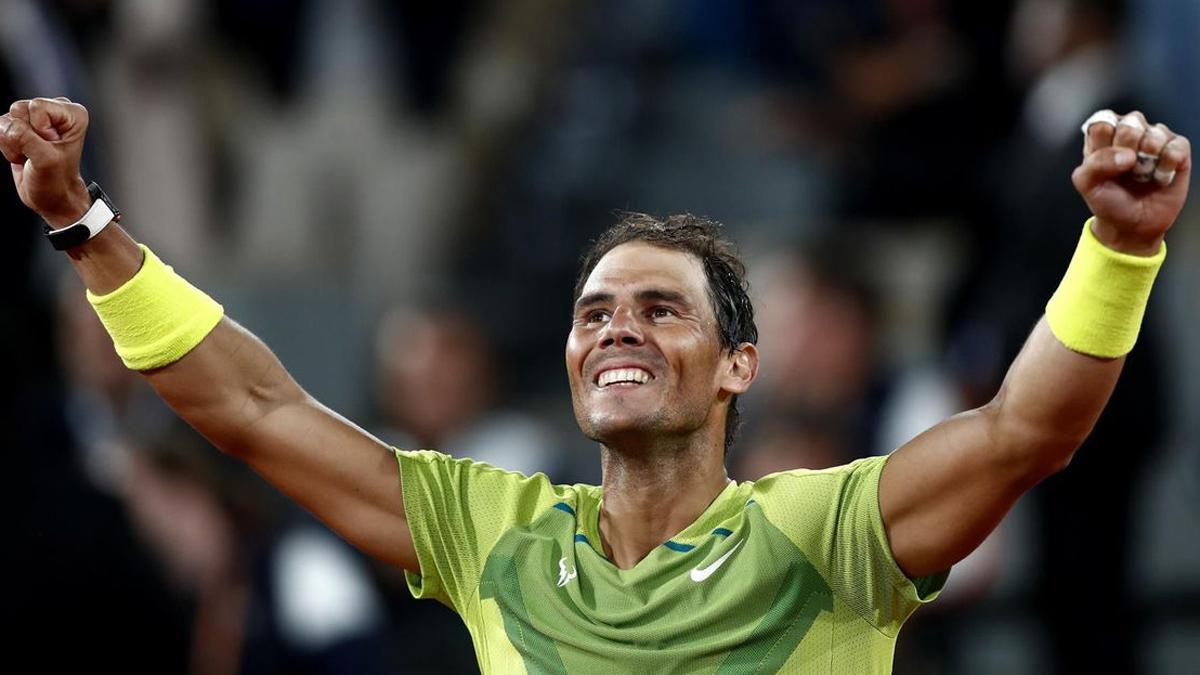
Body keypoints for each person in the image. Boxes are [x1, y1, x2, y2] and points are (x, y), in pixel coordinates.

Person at [1, 97, 1189, 673]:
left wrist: (1121, 249)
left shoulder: (827, 533)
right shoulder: (489, 529)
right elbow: (251, 412)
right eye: (592, 313)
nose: (615, 329)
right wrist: (84, 225)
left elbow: (1028, 428)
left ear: (739, 367)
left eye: (661, 307)